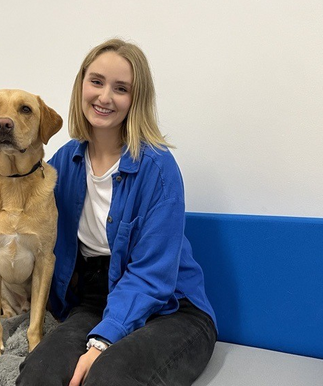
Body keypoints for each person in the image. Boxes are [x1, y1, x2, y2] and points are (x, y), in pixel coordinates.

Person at [16, 38, 217, 386]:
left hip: (171, 306)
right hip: (96, 300)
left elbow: (153, 275)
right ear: (81, 84)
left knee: (108, 376)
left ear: (135, 100)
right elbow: (26, 216)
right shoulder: (63, 162)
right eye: (96, 82)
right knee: (40, 374)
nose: (105, 97)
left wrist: (101, 341)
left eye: (120, 88)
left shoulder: (158, 168)